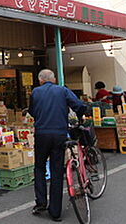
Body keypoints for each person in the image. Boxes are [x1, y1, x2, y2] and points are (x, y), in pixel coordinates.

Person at [29, 69, 88, 222]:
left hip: (41, 134)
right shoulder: (62, 90)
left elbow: (32, 111)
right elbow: (79, 105)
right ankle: (55, 212)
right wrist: (81, 116)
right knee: (56, 170)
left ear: (40, 80)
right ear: (53, 79)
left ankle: (41, 202)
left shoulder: (35, 92)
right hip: (59, 134)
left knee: (40, 167)